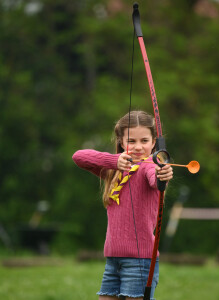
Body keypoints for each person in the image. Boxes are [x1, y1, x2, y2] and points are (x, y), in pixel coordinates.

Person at [72, 110, 173, 300]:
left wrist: (163, 175)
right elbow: (79, 156)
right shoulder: (115, 170)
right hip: (113, 261)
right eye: (131, 141)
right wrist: (114, 161)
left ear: (154, 143)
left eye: (144, 141)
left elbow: (156, 179)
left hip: (140, 263)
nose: (138, 147)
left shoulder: (149, 167)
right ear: (121, 141)